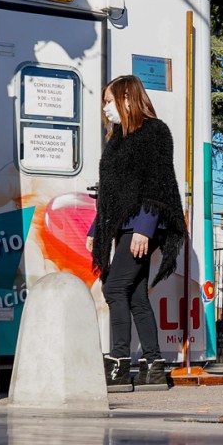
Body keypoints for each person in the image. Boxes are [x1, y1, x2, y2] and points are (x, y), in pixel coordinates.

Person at [85, 75, 187, 388]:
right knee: (136, 296)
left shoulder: (155, 131)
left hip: (145, 223)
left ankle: (118, 365)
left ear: (127, 99)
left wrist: (144, 228)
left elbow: (157, 183)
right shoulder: (118, 139)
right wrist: (96, 228)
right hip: (126, 226)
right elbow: (111, 193)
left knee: (114, 289)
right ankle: (153, 366)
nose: (105, 109)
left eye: (108, 101)